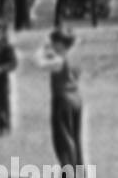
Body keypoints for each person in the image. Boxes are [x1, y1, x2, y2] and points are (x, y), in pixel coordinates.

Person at [35, 26, 84, 169]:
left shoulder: (60, 61)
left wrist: (43, 48)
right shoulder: (74, 58)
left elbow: (39, 63)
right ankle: (79, 171)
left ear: (60, 44)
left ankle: (68, 173)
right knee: (75, 137)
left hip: (62, 100)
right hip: (76, 98)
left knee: (63, 139)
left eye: (54, 42)